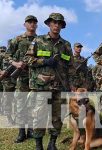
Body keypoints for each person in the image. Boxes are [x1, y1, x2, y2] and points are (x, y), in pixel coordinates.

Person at [25, 13, 75, 150]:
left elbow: (71, 67)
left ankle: (52, 143)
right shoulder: (38, 40)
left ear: (62, 26)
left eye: (59, 23)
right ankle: (38, 145)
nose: (56, 25)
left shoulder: (66, 45)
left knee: (57, 117)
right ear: (49, 24)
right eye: (54, 22)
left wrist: (71, 85)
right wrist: (45, 61)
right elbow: (28, 60)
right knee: (39, 115)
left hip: (60, 87)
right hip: (41, 86)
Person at [7, 15, 38, 143]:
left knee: (33, 104)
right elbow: (7, 54)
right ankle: (21, 133)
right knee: (21, 104)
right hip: (22, 76)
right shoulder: (18, 39)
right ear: (24, 24)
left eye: (34, 22)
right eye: (29, 22)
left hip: (35, 77)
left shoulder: (40, 40)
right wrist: (15, 63)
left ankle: (31, 130)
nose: (32, 24)